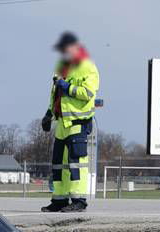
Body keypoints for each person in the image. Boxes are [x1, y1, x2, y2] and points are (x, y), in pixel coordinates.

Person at [41, 32, 100, 213]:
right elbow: (55, 96)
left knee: (76, 163)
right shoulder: (61, 68)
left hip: (77, 122)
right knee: (59, 165)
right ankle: (59, 200)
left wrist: (67, 87)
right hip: (62, 123)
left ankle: (78, 200)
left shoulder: (87, 67)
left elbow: (88, 94)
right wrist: (48, 114)